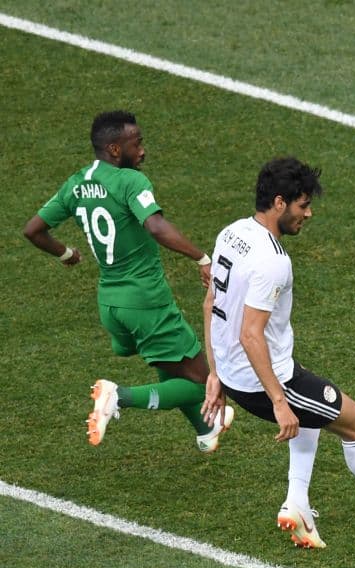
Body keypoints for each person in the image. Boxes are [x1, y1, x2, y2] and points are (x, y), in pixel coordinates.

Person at [200, 156, 355, 549]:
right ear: (280, 202)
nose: (307, 214)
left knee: (313, 410)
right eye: (303, 205)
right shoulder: (273, 261)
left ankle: (297, 502)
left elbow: (211, 303)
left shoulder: (232, 234)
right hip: (265, 379)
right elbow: (250, 335)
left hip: (235, 371)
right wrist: (278, 400)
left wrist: (215, 372)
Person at [23, 110, 233, 452]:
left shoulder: (76, 184)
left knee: (170, 362)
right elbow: (156, 227)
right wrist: (201, 257)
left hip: (111, 304)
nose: (143, 151)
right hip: (146, 301)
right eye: (137, 144)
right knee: (203, 383)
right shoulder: (131, 182)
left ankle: (205, 429)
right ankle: (118, 396)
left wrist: (65, 254)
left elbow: (33, 230)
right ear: (115, 150)